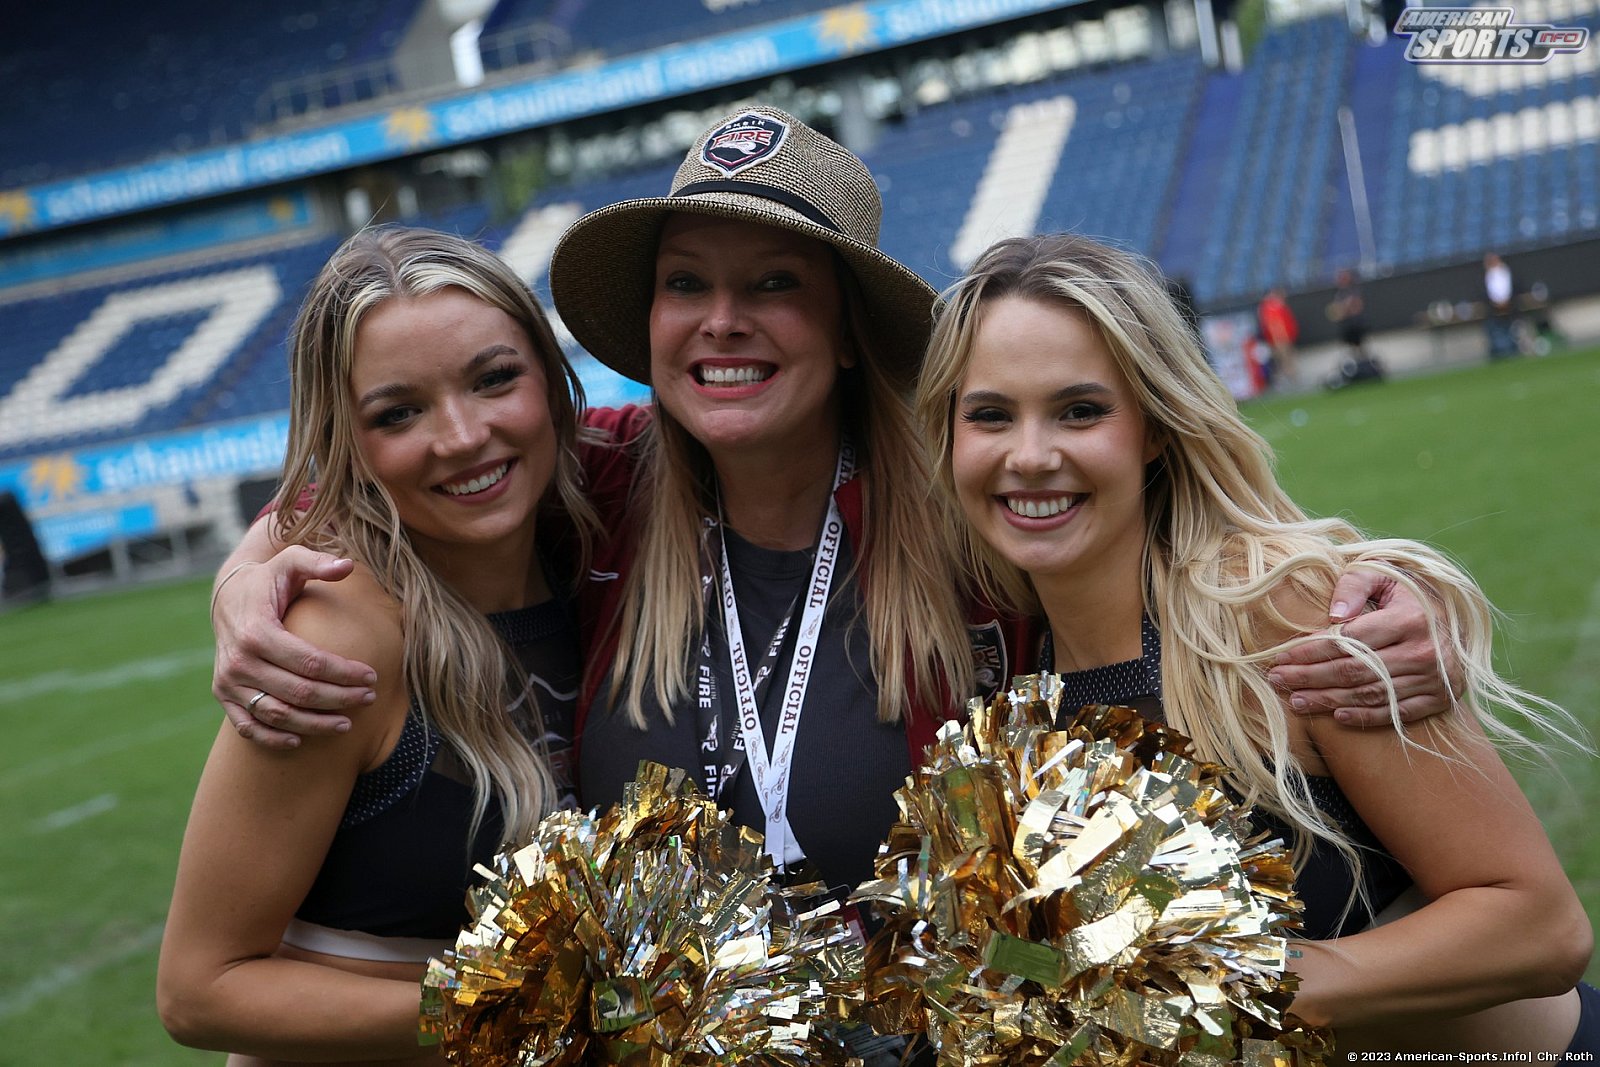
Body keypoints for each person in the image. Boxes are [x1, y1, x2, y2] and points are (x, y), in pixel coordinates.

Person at [207, 107, 1457, 901]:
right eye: (685, 282)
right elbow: (403, 455)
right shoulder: (607, 483)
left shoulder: (970, 508)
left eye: (773, 284)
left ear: (851, 329)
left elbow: (1185, 522)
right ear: (649, 327)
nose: (722, 320)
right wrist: (251, 571)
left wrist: (1384, 606)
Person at [915, 232, 1597, 1054]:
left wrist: (1235, 983)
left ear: (1155, 428)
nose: (1030, 455)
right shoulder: (1006, 673)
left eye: (1080, 410)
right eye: (991, 414)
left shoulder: (1280, 611)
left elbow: (1541, 927)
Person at [157, 227, 596, 1064]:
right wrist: (506, 1009)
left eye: (495, 378)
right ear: (346, 439)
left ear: (550, 373)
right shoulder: (336, 632)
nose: (463, 435)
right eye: (399, 412)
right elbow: (199, 986)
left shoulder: (602, 549)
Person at [1256, 285, 1299, 389]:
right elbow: (1275, 325)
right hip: (1280, 339)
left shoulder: (1275, 306)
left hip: (1281, 339)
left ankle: (1287, 380)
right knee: (1284, 359)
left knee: (1283, 360)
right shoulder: (1271, 307)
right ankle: (1291, 380)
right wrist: (1280, 339)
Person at [1483, 251, 1519, 359]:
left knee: (1512, 329)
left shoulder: (1506, 272)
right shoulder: (1487, 275)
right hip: (1493, 309)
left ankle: (1513, 349)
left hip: (1510, 306)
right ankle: (1499, 351)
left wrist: (1506, 302)